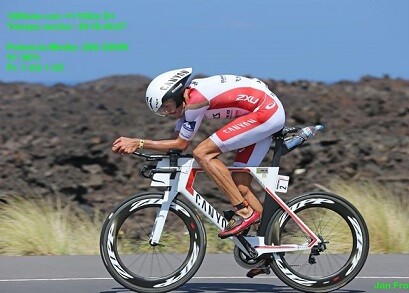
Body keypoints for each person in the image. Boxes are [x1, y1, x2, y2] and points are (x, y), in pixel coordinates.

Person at [112, 67, 285, 239]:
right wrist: (148, 152)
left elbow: (181, 144)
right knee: (241, 185)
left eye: (168, 106)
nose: (169, 112)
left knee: (202, 153)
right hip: (262, 111)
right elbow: (174, 144)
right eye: (162, 111)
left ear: (176, 94)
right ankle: (269, 249)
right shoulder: (186, 105)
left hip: (265, 111)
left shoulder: (195, 102)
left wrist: (139, 143)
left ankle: (244, 211)